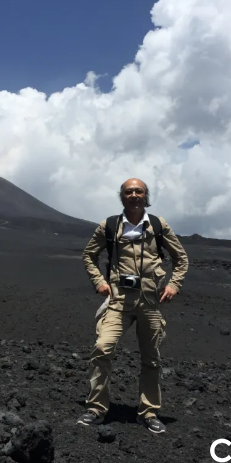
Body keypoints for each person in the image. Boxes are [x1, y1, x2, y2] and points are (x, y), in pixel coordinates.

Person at [76, 178, 189, 434]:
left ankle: (148, 412)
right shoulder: (110, 225)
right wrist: (99, 281)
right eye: (129, 191)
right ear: (122, 196)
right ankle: (96, 408)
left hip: (150, 301)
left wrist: (173, 285)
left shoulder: (158, 226)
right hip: (119, 300)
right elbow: (88, 255)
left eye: (139, 191)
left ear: (145, 195)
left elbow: (181, 258)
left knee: (152, 359)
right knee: (102, 349)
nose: (134, 195)